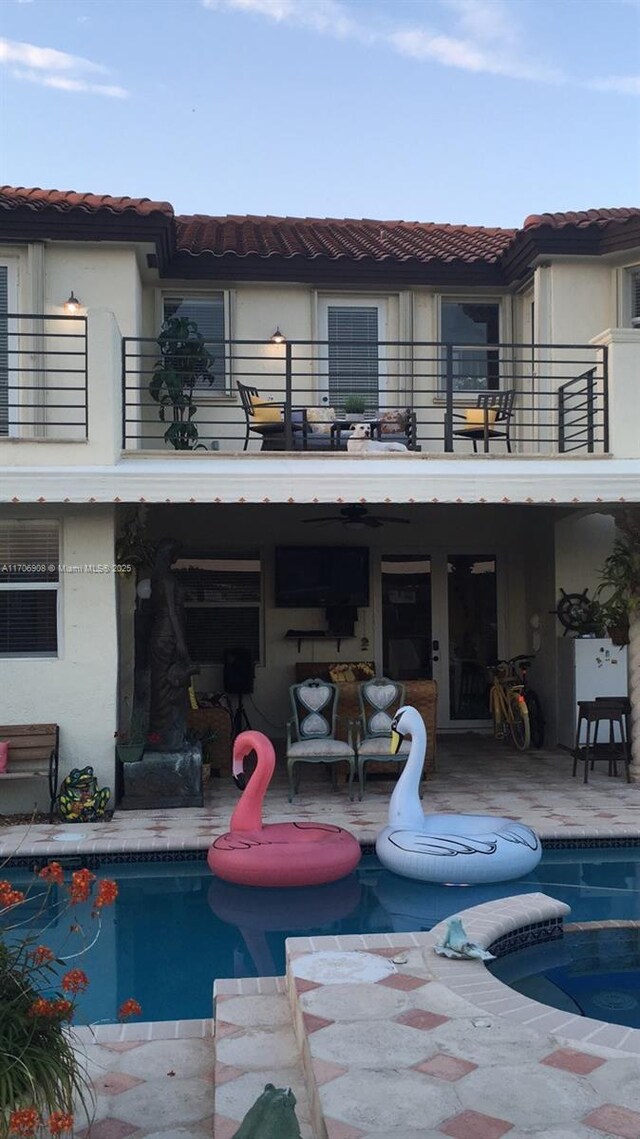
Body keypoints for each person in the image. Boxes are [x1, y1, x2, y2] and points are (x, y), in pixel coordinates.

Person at [148, 538, 198, 751]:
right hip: (167, 636)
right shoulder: (165, 579)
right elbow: (171, 612)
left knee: (166, 685)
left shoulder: (158, 578)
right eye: (176, 552)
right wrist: (181, 644)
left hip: (165, 635)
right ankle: (164, 737)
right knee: (165, 686)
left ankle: (169, 735)